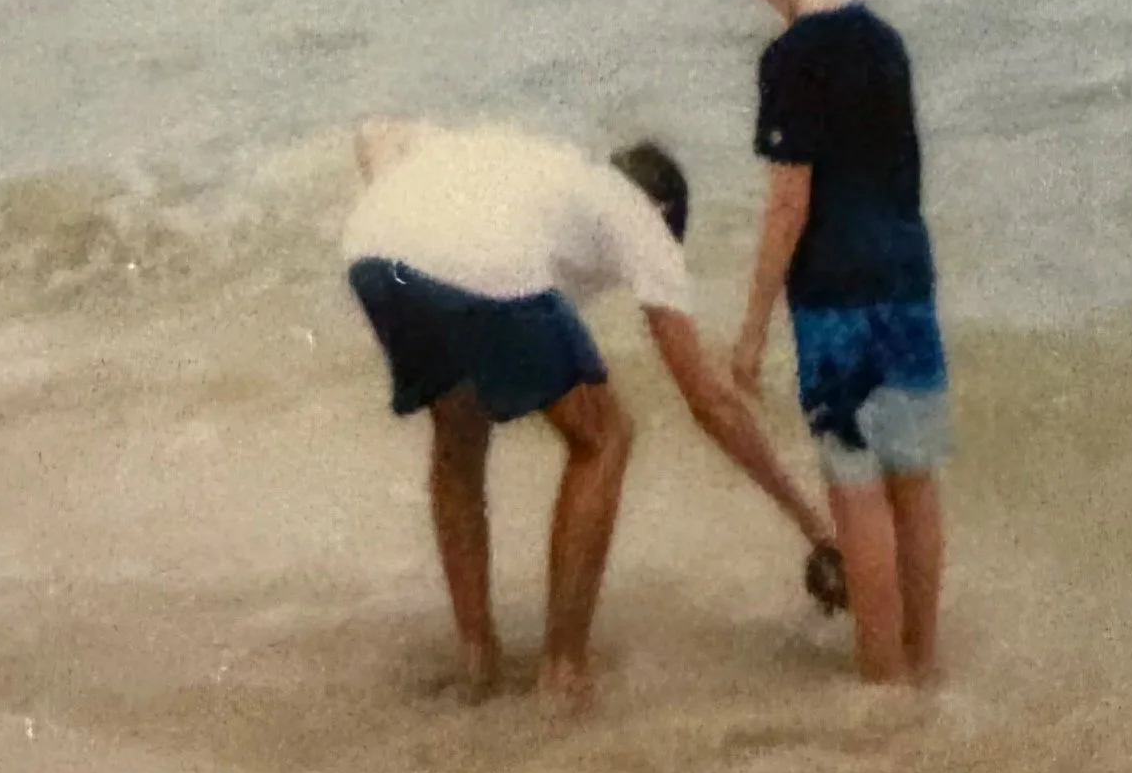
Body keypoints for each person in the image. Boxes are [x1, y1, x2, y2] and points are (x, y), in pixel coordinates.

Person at [341, 118, 833, 703]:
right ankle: (563, 673)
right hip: (477, 257)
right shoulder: (636, 212)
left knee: (459, 427)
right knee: (604, 437)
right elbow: (710, 402)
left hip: (374, 248)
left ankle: (477, 661)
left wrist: (402, 216)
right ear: (662, 206)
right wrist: (814, 526)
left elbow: (374, 131)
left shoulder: (538, 166)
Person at [720, 0, 949, 684]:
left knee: (855, 492)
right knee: (912, 480)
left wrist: (750, 330)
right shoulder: (886, 42)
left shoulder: (790, 58)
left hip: (836, 299)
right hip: (907, 279)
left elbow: (789, 202)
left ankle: (882, 688)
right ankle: (923, 665)